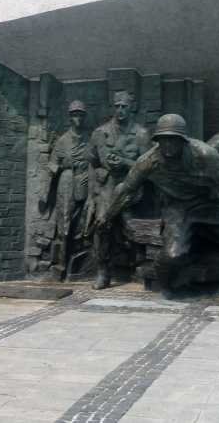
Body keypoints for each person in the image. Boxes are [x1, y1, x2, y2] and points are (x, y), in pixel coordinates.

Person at [97, 114, 219, 295]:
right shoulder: (148, 161)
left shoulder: (204, 154)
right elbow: (126, 191)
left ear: (183, 140)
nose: (168, 145)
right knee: (173, 255)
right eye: (163, 140)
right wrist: (107, 217)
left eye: (173, 140)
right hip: (177, 208)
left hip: (210, 204)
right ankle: (165, 284)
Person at [86, 90, 151, 289]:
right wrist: (93, 189)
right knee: (102, 224)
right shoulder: (100, 133)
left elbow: (148, 166)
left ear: (132, 108)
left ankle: (142, 264)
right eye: (117, 106)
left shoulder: (141, 134)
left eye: (124, 106)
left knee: (131, 227)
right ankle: (103, 272)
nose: (120, 110)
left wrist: (124, 162)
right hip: (107, 188)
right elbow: (92, 162)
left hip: (131, 190)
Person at [39, 100, 89, 279]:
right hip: (67, 182)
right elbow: (52, 166)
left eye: (81, 115)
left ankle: (78, 266)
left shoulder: (89, 139)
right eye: (75, 115)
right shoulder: (62, 141)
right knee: (64, 224)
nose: (78, 119)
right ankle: (60, 266)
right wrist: (44, 192)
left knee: (83, 224)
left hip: (85, 182)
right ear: (70, 117)